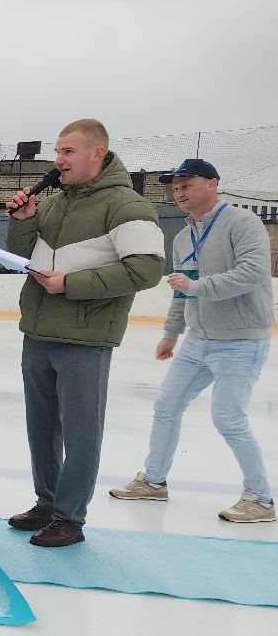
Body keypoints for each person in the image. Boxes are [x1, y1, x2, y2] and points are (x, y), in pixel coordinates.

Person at [4, 119, 164, 547]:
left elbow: (148, 268)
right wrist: (24, 220)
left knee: (80, 431)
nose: (58, 161)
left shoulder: (126, 205)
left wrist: (70, 285)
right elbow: (24, 255)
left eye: (68, 152)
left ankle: (69, 518)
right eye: (57, 152)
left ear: (97, 153)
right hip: (38, 331)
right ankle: (48, 501)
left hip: (86, 337)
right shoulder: (55, 203)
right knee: (41, 427)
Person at [108, 158, 275, 522]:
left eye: (188, 184)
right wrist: (171, 333)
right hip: (198, 340)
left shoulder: (242, 222)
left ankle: (261, 499)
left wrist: (197, 287)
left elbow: (254, 272)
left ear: (213, 183)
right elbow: (182, 293)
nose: (180, 192)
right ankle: (154, 482)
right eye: (176, 187)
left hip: (241, 341)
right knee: (166, 406)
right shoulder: (184, 236)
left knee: (229, 418)